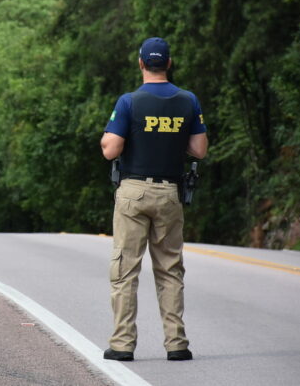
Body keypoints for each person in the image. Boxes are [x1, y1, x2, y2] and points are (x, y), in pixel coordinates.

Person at [99, 37, 208, 362]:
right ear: (169, 64)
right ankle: (177, 344)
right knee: (170, 269)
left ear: (141, 63)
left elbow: (111, 149)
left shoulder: (130, 101)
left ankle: (122, 345)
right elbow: (199, 150)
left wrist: (109, 137)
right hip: (169, 193)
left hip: (133, 192)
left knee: (125, 271)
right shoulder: (188, 101)